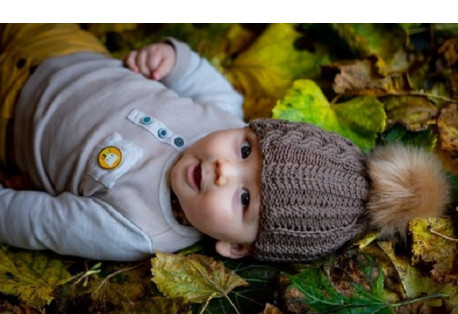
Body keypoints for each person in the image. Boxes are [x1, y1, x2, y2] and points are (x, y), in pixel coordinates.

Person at [0, 24, 451, 263]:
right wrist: (172, 57)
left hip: (10, 120)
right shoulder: (221, 114)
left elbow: (40, 221)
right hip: (67, 50)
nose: (223, 170)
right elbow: (200, 76)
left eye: (243, 197)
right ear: (250, 129)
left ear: (236, 247)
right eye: (245, 151)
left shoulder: (135, 230)